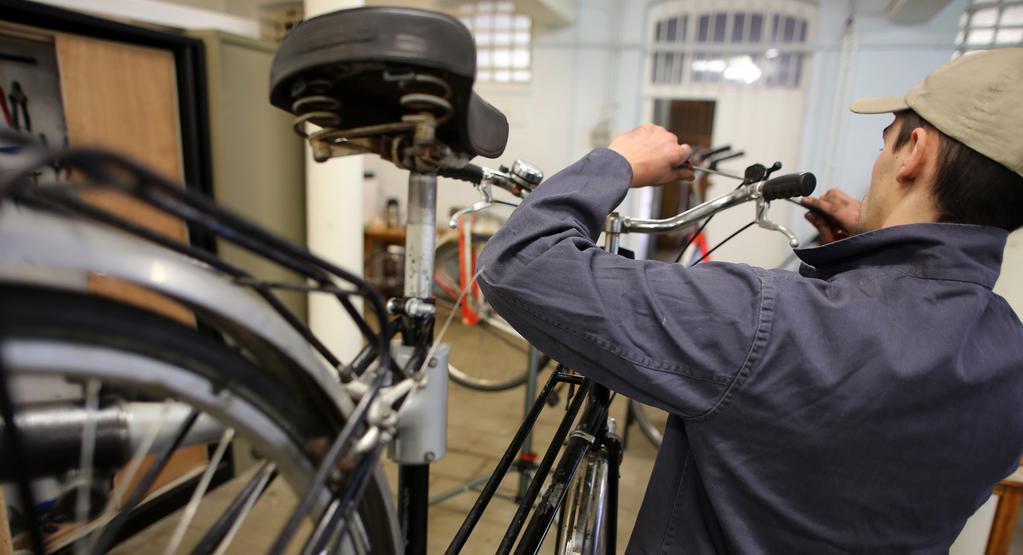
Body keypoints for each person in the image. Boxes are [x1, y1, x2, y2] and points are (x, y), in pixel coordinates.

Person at [478, 48, 1023, 553]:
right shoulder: (1009, 356)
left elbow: (521, 264)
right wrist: (871, 256)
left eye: (886, 142)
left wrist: (617, 161)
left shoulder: (770, 319)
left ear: (915, 154)